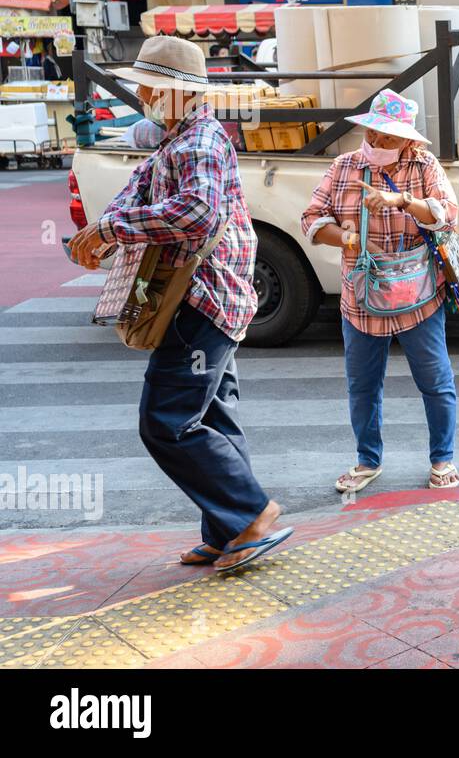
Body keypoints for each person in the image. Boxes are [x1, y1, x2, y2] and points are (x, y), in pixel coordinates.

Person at [66, 36, 293, 572]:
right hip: (211, 298)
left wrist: (112, 227)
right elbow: (137, 191)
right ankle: (226, 530)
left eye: (151, 86)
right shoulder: (177, 138)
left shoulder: (198, 142)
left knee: (165, 420)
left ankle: (251, 515)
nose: (143, 94)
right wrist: (105, 228)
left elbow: (197, 214)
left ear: (176, 93)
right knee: (214, 415)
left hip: (201, 299)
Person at [301, 89, 459, 494]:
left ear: (407, 139)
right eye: (372, 135)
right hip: (361, 298)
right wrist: (349, 239)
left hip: (419, 295)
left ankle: (443, 458)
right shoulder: (344, 166)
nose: (376, 144)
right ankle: (366, 459)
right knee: (362, 384)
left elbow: (447, 215)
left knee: (435, 380)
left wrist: (401, 200)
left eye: (387, 138)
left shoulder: (424, 165)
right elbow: (311, 220)